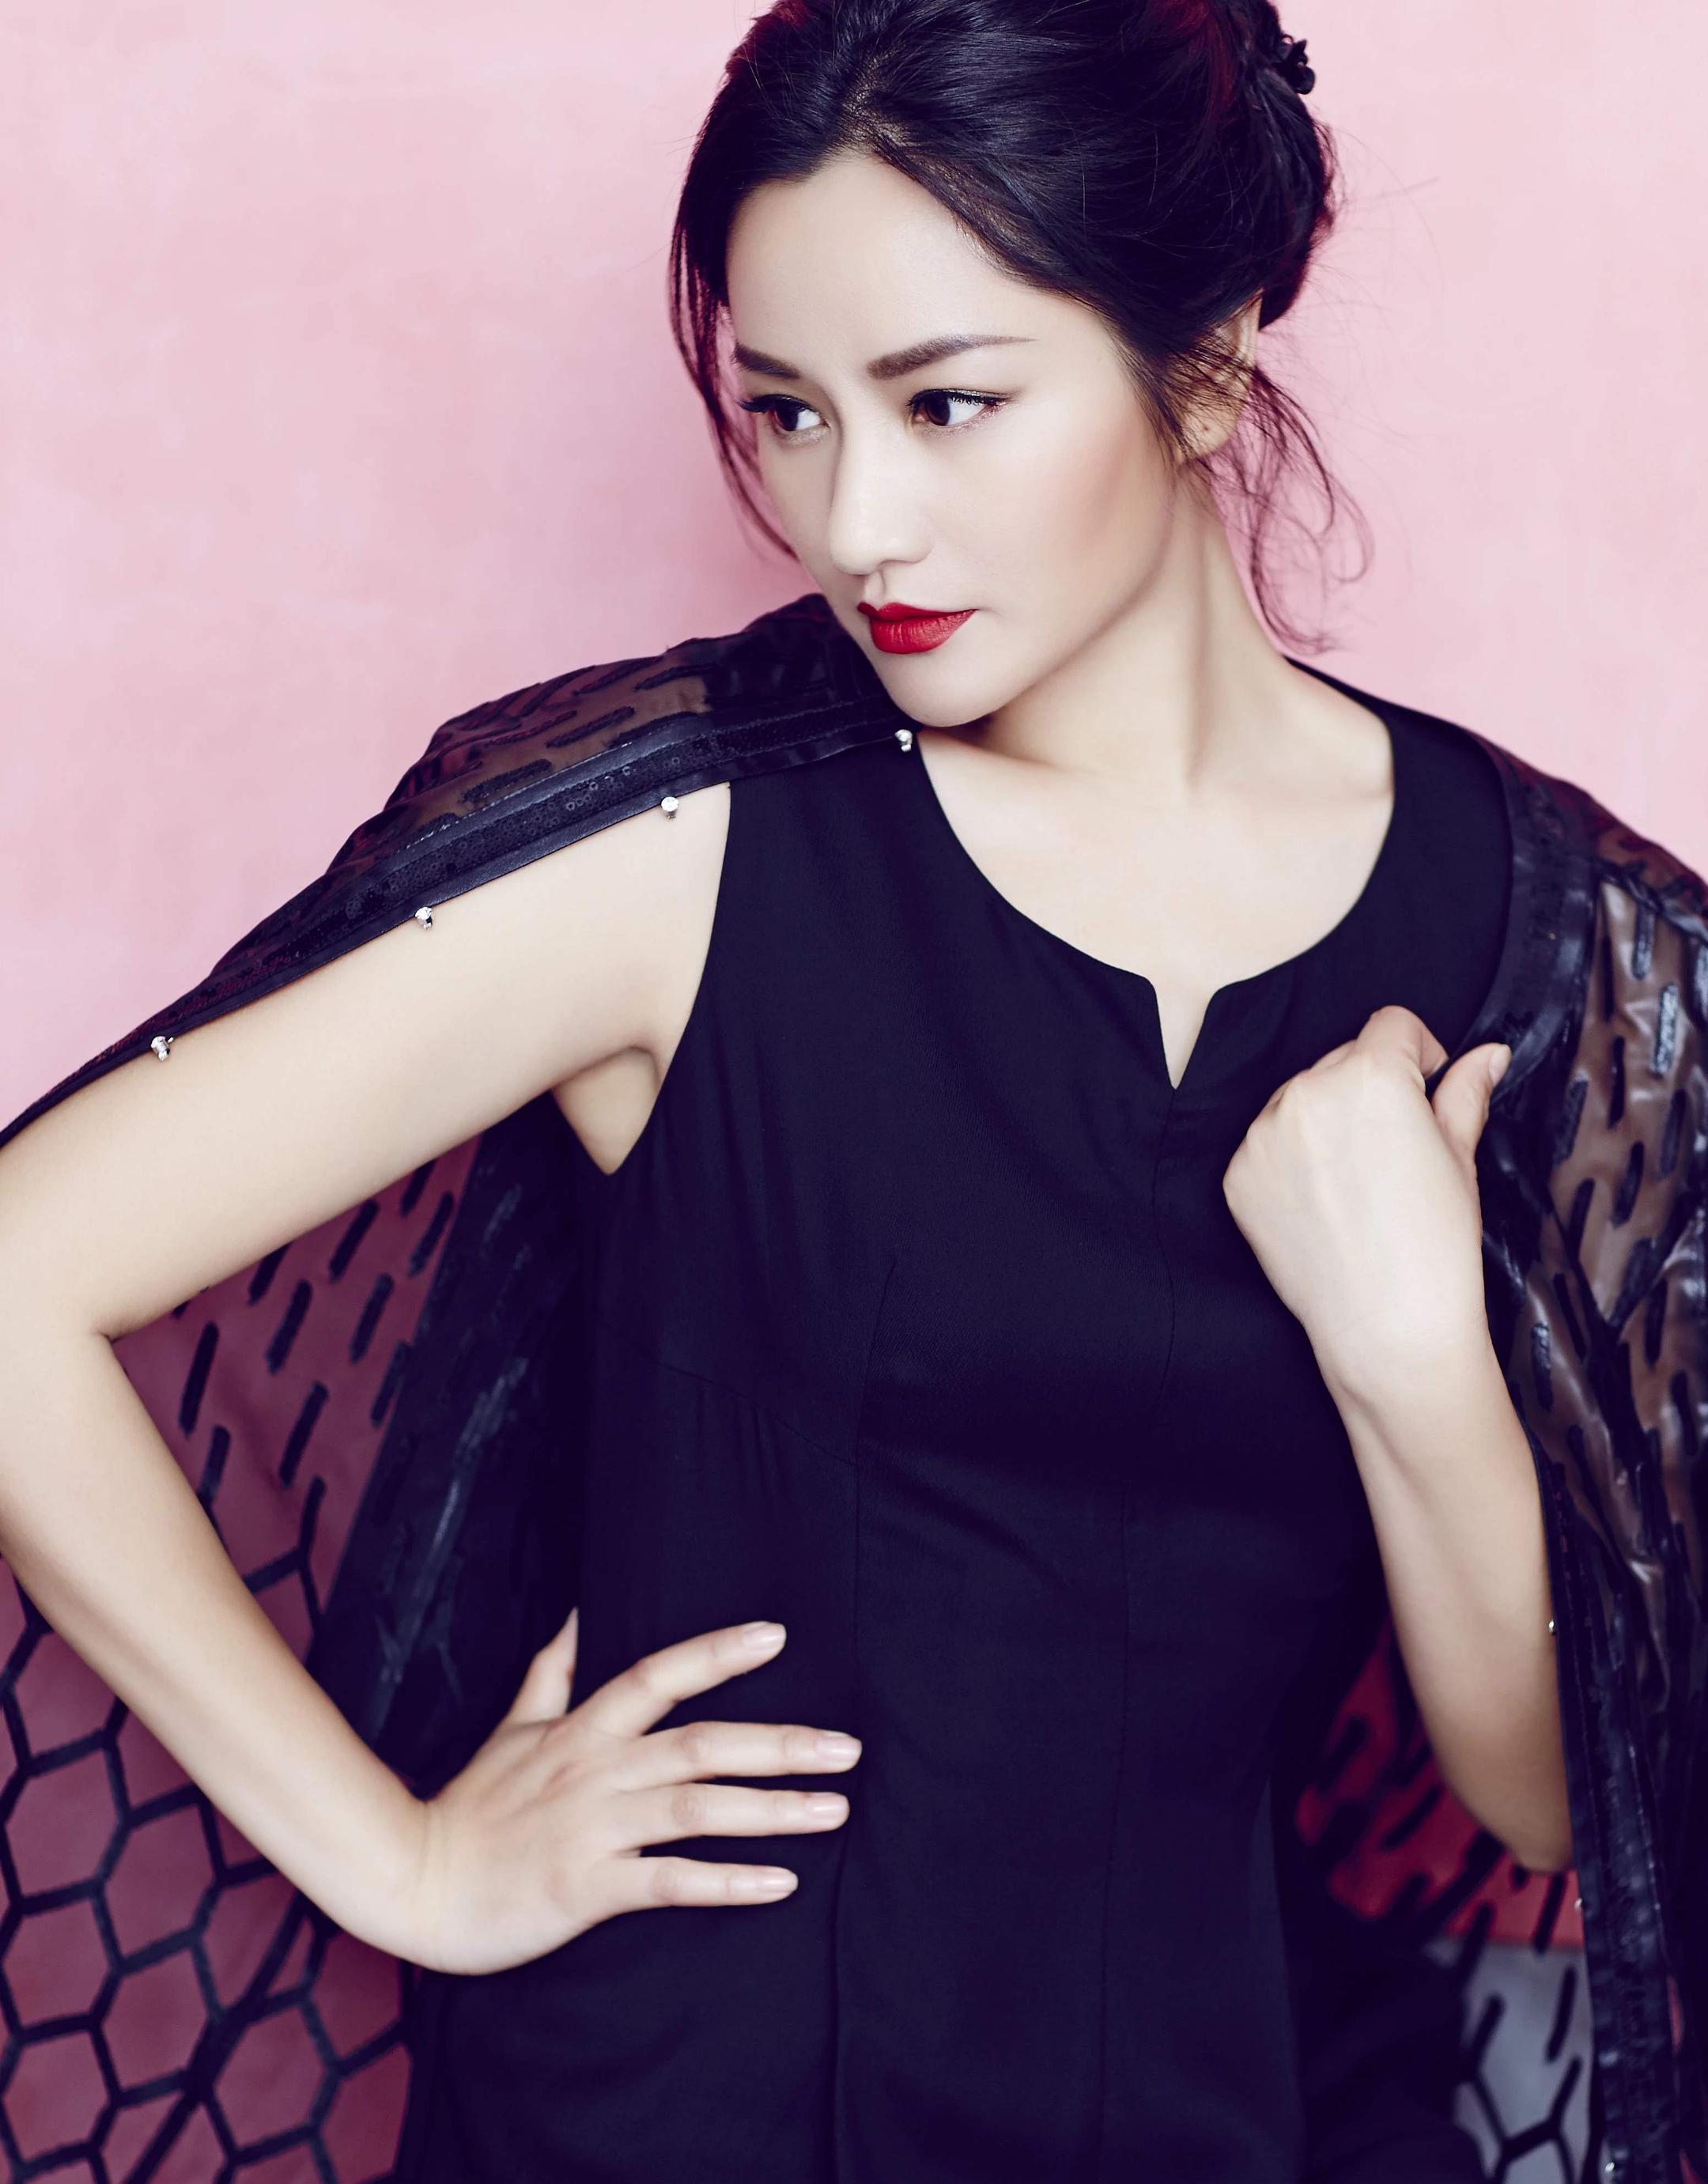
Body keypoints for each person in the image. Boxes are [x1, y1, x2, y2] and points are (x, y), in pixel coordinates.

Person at [0, 3, 1702, 2180]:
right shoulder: (690, 850)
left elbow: (1545, 1803)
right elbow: (25, 1273)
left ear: (1201, 364)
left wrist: (1418, 1369)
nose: (855, 520)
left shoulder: (1546, 935)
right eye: (788, 413)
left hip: (1222, 2114)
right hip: (675, 2119)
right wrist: (402, 1859)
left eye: (946, 403)